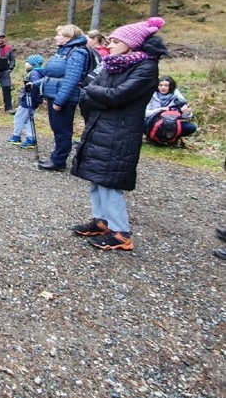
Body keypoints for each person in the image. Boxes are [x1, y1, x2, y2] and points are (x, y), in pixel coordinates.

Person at [71, 17, 167, 251]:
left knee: (110, 182)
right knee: (96, 178)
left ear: (131, 43)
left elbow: (116, 96)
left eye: (115, 41)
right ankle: (101, 220)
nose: (110, 45)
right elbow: (91, 95)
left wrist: (97, 93)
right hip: (101, 126)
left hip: (121, 132)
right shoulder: (112, 63)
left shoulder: (146, 68)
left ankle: (121, 232)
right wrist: (101, 95)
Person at [37, 25, 89, 171]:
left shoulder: (77, 53)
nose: (55, 37)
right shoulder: (63, 51)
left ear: (68, 37)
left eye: (59, 34)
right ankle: (57, 158)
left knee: (62, 130)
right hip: (55, 94)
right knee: (58, 129)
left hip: (64, 98)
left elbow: (72, 79)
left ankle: (58, 161)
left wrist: (60, 100)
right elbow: (53, 76)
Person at [7, 55, 45, 149]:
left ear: (33, 64)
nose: (25, 64)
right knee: (28, 120)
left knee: (19, 117)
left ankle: (16, 136)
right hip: (34, 101)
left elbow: (35, 85)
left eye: (27, 62)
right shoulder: (41, 72)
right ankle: (30, 138)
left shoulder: (34, 73)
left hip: (29, 100)